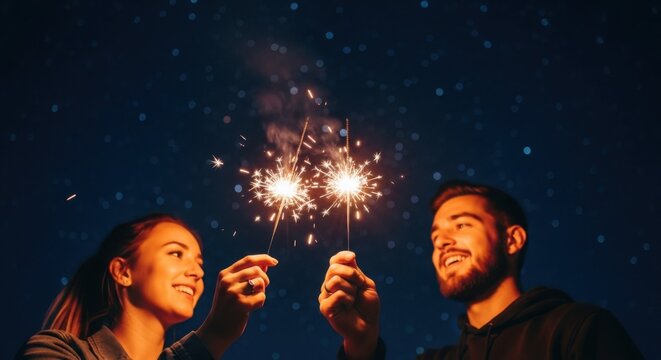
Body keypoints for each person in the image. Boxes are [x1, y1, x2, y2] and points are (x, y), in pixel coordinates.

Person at [319, 179, 644, 359]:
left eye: (461, 225)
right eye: (435, 237)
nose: (442, 242)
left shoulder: (577, 330)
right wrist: (360, 344)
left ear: (512, 240)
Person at [16, 213, 278, 359]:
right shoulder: (52, 351)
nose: (197, 272)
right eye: (176, 254)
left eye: (200, 263)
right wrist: (212, 337)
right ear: (123, 272)